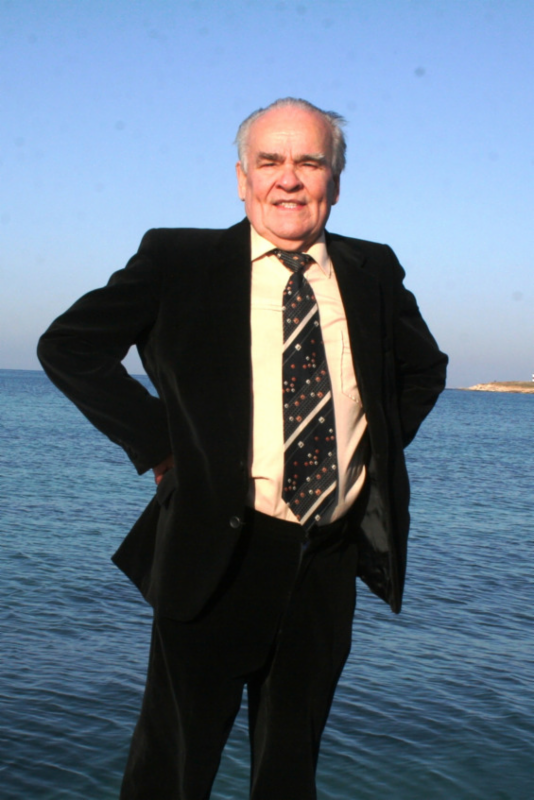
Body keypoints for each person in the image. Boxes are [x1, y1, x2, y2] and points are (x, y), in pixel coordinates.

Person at [37, 97, 448, 800]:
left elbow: (424, 370)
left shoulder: (373, 269)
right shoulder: (178, 259)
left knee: (289, 774)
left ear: (335, 180)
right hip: (216, 554)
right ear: (241, 178)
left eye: (309, 162)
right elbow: (69, 348)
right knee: (172, 771)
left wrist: (363, 455)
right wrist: (164, 445)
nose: (289, 179)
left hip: (326, 560)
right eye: (270, 161)